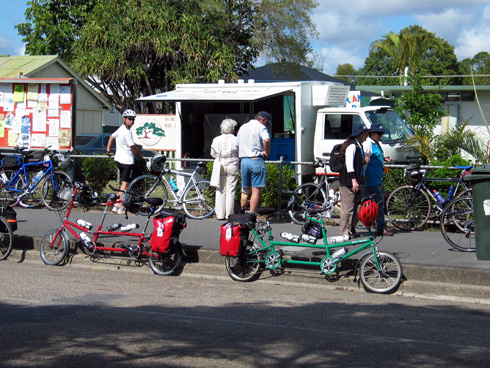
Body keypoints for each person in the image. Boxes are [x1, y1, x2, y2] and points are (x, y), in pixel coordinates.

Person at [106, 109, 142, 214]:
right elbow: (133, 147)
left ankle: (116, 205)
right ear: (124, 119)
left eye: (133, 119)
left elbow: (111, 137)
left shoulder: (120, 129)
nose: (132, 121)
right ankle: (119, 205)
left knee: (124, 183)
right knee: (125, 185)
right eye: (130, 119)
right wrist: (139, 153)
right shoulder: (127, 133)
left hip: (119, 160)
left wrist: (108, 150)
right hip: (127, 162)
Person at [236, 111, 271, 214]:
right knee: (255, 190)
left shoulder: (243, 127)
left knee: (245, 189)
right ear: (263, 119)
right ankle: (251, 215)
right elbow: (267, 140)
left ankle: (242, 213)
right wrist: (266, 153)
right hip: (256, 159)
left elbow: (237, 144)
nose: (266, 125)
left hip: (244, 160)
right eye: (266, 122)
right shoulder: (261, 127)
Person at [339, 124, 369, 237]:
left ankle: (351, 228)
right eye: (365, 133)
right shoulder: (352, 146)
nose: (367, 135)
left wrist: (363, 161)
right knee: (348, 208)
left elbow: (356, 163)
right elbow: (349, 164)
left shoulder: (359, 146)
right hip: (348, 181)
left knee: (357, 206)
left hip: (358, 180)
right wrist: (354, 180)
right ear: (360, 134)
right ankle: (344, 233)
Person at [363, 123, 393, 236]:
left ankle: (374, 225)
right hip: (370, 178)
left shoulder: (376, 144)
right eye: (378, 133)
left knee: (372, 203)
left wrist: (384, 158)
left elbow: (375, 157)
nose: (380, 136)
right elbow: (364, 158)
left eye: (381, 133)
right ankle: (381, 227)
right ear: (372, 133)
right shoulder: (368, 144)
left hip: (376, 177)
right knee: (379, 202)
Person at [210, 118, 239, 220]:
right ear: (232, 129)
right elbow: (240, 152)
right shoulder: (236, 139)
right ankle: (229, 214)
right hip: (233, 165)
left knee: (220, 189)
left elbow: (212, 154)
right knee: (231, 190)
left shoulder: (216, 139)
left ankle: (220, 214)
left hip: (220, 164)